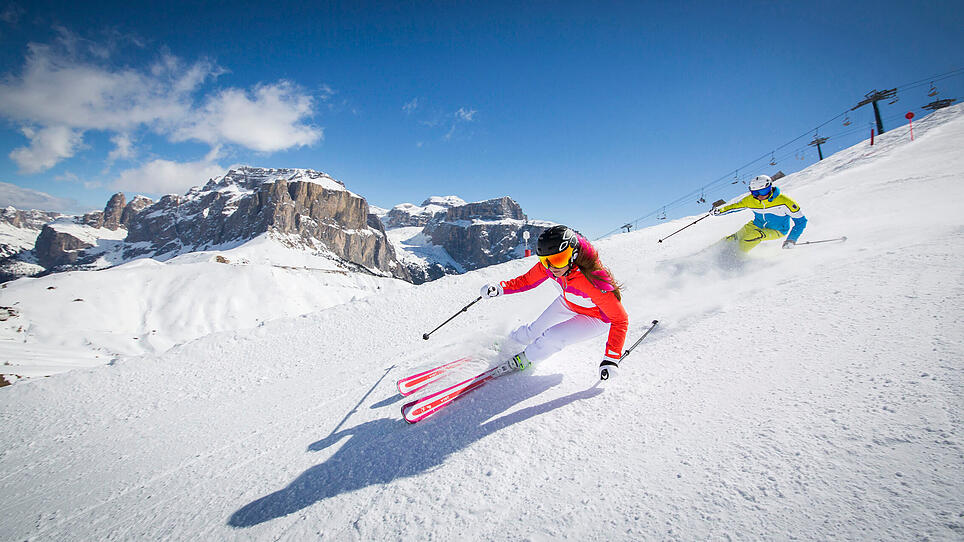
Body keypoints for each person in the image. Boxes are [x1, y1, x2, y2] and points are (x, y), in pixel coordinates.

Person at [479, 225, 629, 380]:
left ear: (574, 254)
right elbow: (526, 281)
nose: (552, 267)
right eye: (545, 261)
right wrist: (500, 288)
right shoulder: (551, 264)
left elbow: (620, 319)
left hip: (596, 317)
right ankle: (510, 342)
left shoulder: (593, 281)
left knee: (553, 337)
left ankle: (527, 358)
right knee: (534, 330)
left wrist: (611, 358)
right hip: (568, 303)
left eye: (559, 260)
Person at [710, 174, 808, 252]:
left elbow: (801, 221)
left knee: (753, 236)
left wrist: (791, 239)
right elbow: (734, 207)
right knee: (732, 239)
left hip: (777, 230)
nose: (759, 196)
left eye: (763, 191)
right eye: (755, 193)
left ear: (769, 187)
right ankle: (708, 253)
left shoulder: (785, 202)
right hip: (756, 225)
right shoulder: (751, 200)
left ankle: (736, 258)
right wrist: (719, 211)